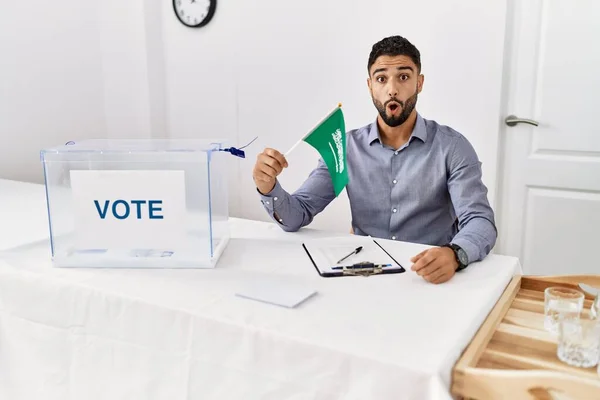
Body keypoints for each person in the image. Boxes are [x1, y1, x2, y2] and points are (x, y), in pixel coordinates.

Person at [251, 35, 497, 284]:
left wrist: (455, 255)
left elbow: (480, 220)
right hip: (364, 274)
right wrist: (267, 186)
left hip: (428, 278)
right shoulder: (344, 148)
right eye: (381, 79)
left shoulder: (452, 147)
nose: (392, 89)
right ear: (370, 86)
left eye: (403, 77)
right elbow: (297, 215)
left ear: (419, 83)